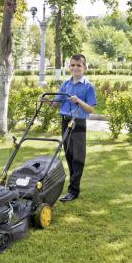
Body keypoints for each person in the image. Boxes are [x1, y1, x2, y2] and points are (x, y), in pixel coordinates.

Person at [41, 54, 97, 202]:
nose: (75, 68)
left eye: (78, 65)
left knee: (78, 158)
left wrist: (78, 101)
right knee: (69, 156)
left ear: (84, 68)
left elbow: (91, 109)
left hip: (78, 122)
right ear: (69, 67)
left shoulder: (88, 86)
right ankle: (73, 187)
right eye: (72, 65)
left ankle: (73, 190)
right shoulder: (66, 84)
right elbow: (55, 104)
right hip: (65, 122)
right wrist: (46, 100)